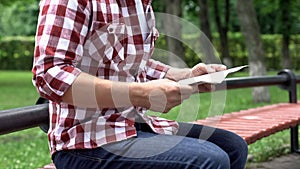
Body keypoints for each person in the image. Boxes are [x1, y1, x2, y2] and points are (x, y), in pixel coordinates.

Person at [32, 0, 248, 168]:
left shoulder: (141, 5)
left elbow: (132, 63)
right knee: (210, 160)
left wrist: (184, 75)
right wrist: (140, 94)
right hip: (86, 141)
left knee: (233, 148)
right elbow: (50, 73)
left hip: (131, 125)